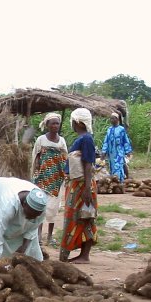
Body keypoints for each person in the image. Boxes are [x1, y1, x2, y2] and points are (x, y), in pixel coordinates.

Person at [0, 177, 48, 263]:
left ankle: (35, 264)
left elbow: (32, 229)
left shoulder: (41, 206)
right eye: (30, 214)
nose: (33, 217)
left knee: (27, 235)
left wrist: (23, 249)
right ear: (24, 203)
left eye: (36, 215)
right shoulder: (8, 205)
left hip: (12, 188)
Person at [60, 108, 98, 264]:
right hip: (77, 184)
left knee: (85, 217)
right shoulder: (82, 138)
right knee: (79, 217)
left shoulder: (86, 139)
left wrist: (87, 188)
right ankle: (81, 254)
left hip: (83, 185)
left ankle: (84, 256)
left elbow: (88, 164)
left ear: (76, 122)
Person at [31, 113, 68, 246]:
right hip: (42, 178)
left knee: (53, 208)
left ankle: (50, 236)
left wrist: (65, 174)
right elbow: (35, 157)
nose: (55, 126)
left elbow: (65, 157)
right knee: (41, 206)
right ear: (47, 125)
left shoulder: (62, 140)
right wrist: (35, 174)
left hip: (57, 179)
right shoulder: (41, 140)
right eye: (52, 123)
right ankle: (39, 236)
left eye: (57, 123)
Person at [100, 111, 133, 182]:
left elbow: (125, 141)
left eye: (113, 118)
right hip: (111, 153)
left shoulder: (121, 129)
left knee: (118, 166)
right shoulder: (109, 130)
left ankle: (119, 181)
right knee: (112, 166)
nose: (111, 120)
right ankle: (114, 182)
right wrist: (104, 152)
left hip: (119, 152)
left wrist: (128, 151)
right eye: (111, 119)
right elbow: (106, 142)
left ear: (117, 119)